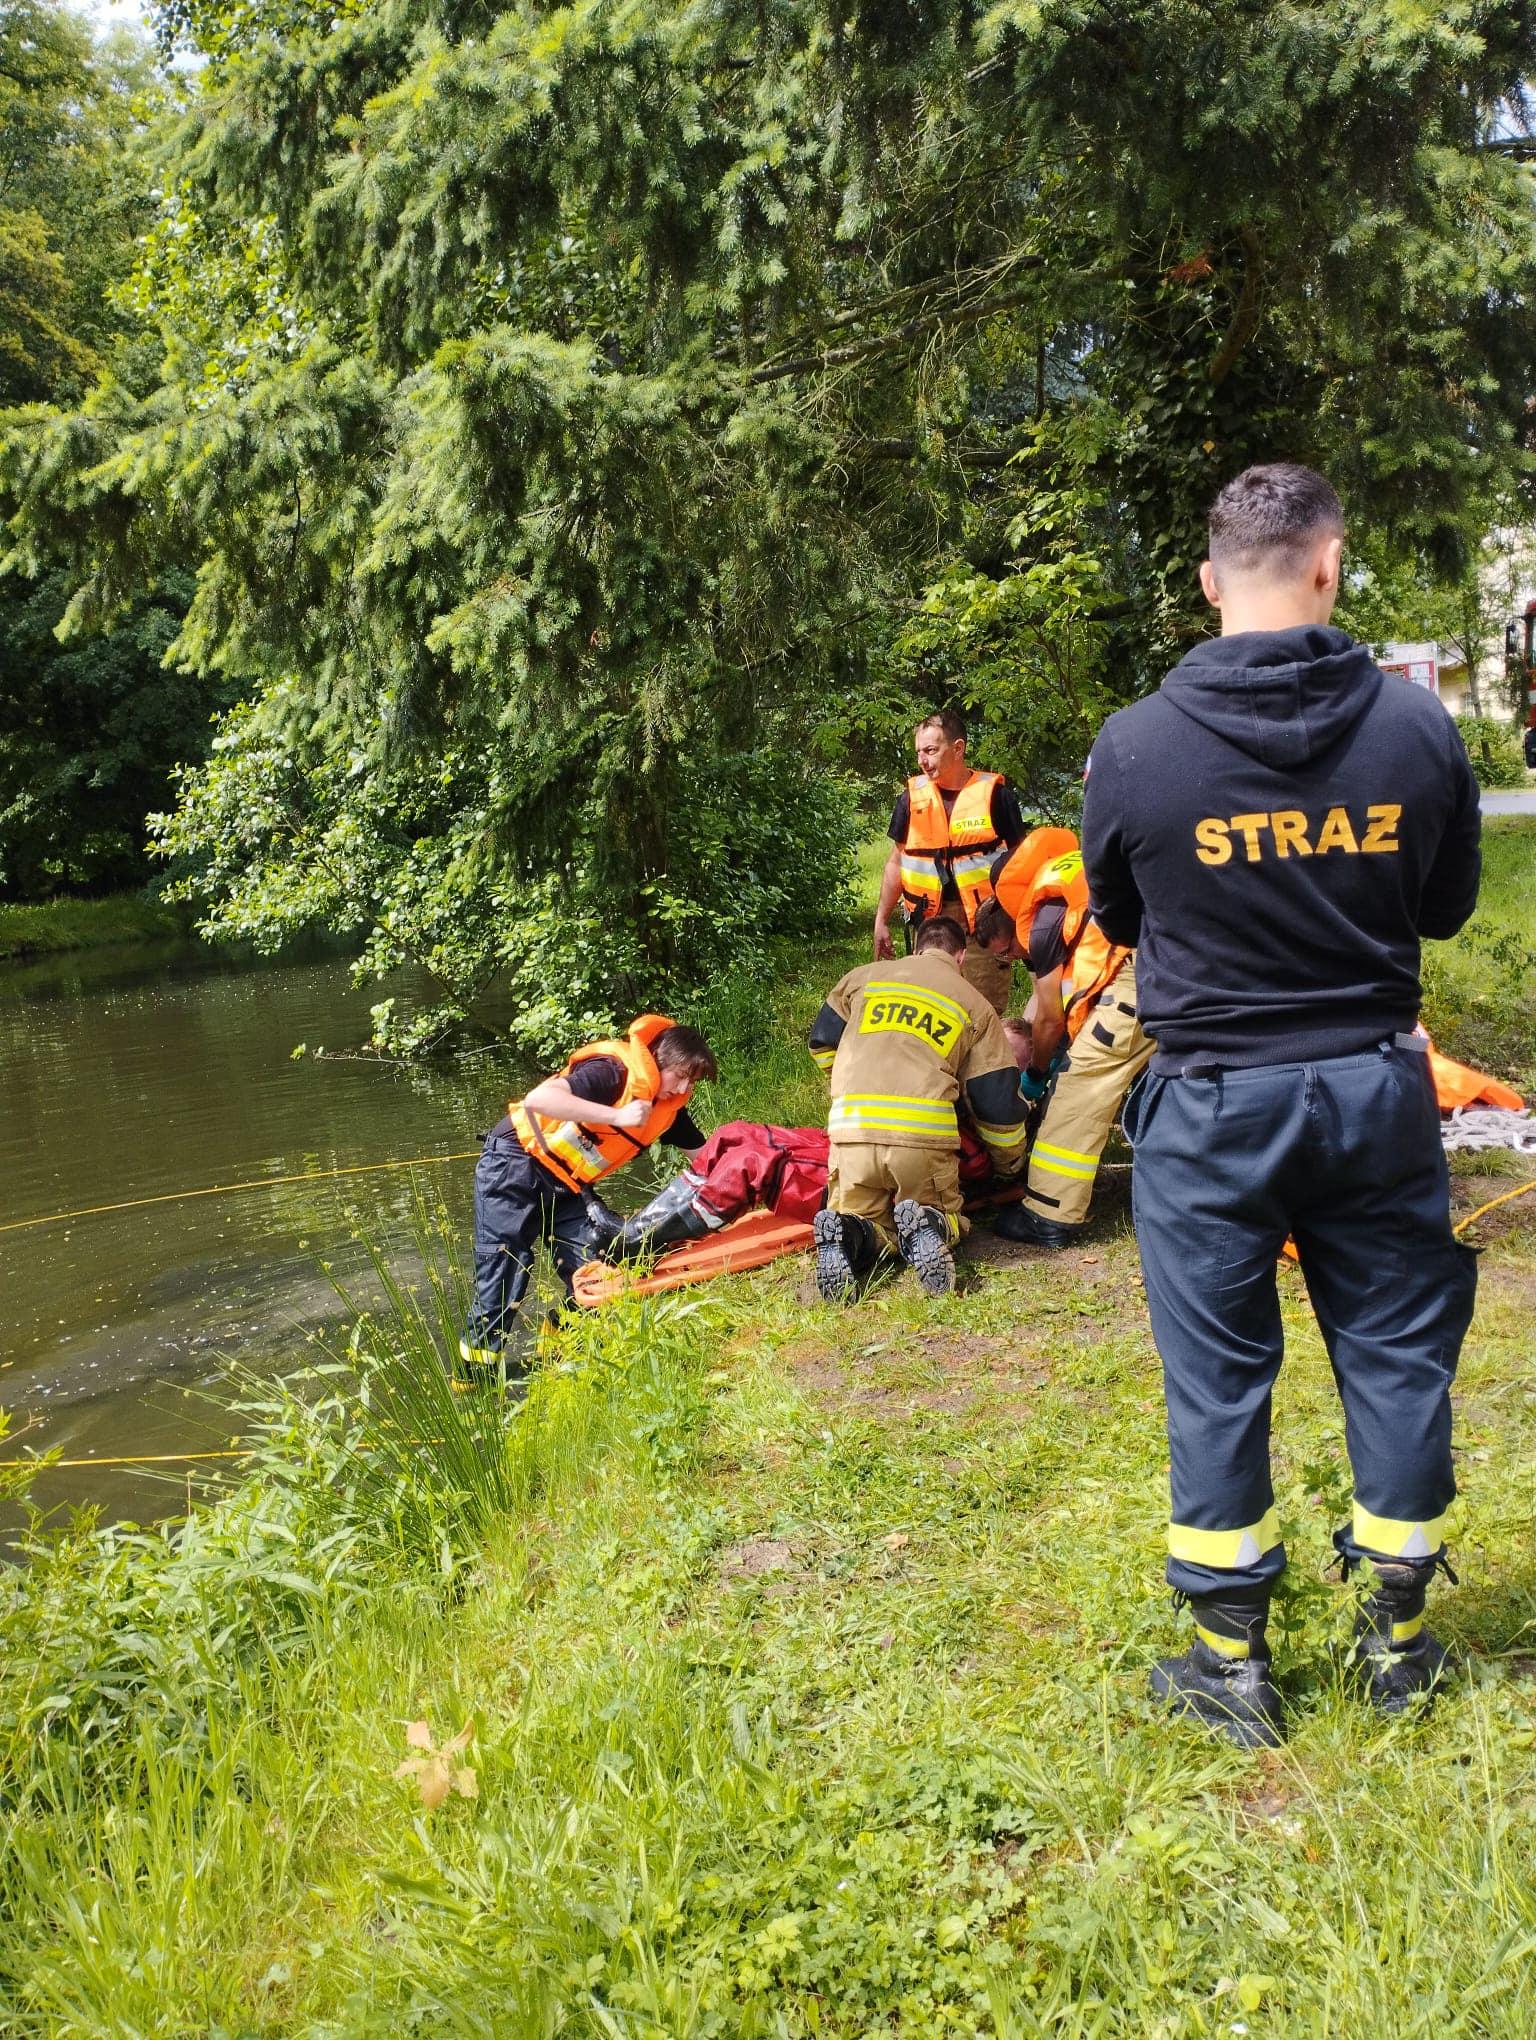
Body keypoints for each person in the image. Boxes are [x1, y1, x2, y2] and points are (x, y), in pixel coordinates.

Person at [1081, 462, 1481, 1746]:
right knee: (1397, 1350)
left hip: (1210, 1106)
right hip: (1373, 1090)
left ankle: (1229, 1663)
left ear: (1211, 581)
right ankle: (1398, 1644)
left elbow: (1118, 916)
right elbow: (1444, 908)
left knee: (1215, 1377)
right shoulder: (1416, 730)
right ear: (1330, 565)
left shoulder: (1134, 746)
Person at [460, 1014, 716, 1370]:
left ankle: (559, 1340)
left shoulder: (669, 1110)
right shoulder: (612, 1071)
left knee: (603, 1267)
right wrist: (619, 1117)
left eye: (693, 1081)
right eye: (680, 1075)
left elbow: (705, 1159)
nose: (683, 1088)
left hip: (568, 1186)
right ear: (658, 1059)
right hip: (513, 1165)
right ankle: (473, 1378)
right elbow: (540, 1099)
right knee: (503, 1275)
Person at [807, 916, 1030, 1299]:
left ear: (916, 948)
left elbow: (821, 1043)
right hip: (921, 1140)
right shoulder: (974, 1004)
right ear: (960, 957)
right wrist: (1009, 1164)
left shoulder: (862, 978)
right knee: (946, 1215)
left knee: (865, 1218)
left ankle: (848, 1233)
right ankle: (931, 1220)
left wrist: (846, 1087)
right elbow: (994, 1103)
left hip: (851, 1133)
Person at [974, 829, 1154, 1247]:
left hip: (1141, 980)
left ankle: (1048, 1213)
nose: (1011, 958)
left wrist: (1036, 1074)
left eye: (1007, 951)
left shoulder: (1043, 921)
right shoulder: (1076, 882)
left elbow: (1049, 1020)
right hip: (1181, 961)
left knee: (1078, 1090)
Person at [873, 707, 1029, 1014]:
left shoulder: (995, 796)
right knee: (929, 1007)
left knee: (982, 1011)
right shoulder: (911, 799)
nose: (922, 760)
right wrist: (881, 920)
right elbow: (896, 862)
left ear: (958, 748)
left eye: (930, 750)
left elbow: (1023, 860)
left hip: (984, 921)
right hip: (930, 922)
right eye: (919, 752)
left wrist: (1022, 921)